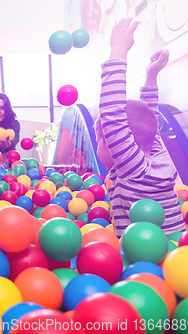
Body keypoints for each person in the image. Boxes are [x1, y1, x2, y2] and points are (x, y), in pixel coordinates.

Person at [95, 18, 185, 237]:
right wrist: (151, 74)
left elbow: (113, 115)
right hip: (176, 253)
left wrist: (118, 49)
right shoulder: (158, 158)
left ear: (114, 141)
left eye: (101, 137)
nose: (101, 141)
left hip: (148, 264)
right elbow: (149, 121)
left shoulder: (133, 170)